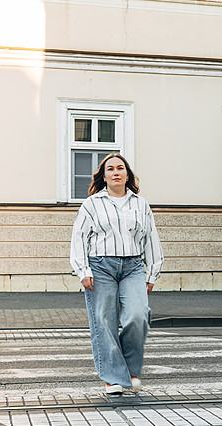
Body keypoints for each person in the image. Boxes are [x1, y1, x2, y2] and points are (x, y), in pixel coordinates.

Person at [70, 154, 164, 395]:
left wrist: (152, 273)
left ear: (127, 175)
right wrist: (83, 270)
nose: (115, 172)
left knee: (138, 315)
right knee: (104, 322)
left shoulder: (140, 204)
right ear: (104, 176)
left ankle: (129, 370)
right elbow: (79, 239)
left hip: (133, 267)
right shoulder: (92, 204)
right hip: (100, 267)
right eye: (110, 169)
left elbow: (150, 240)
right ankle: (114, 377)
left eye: (120, 168)